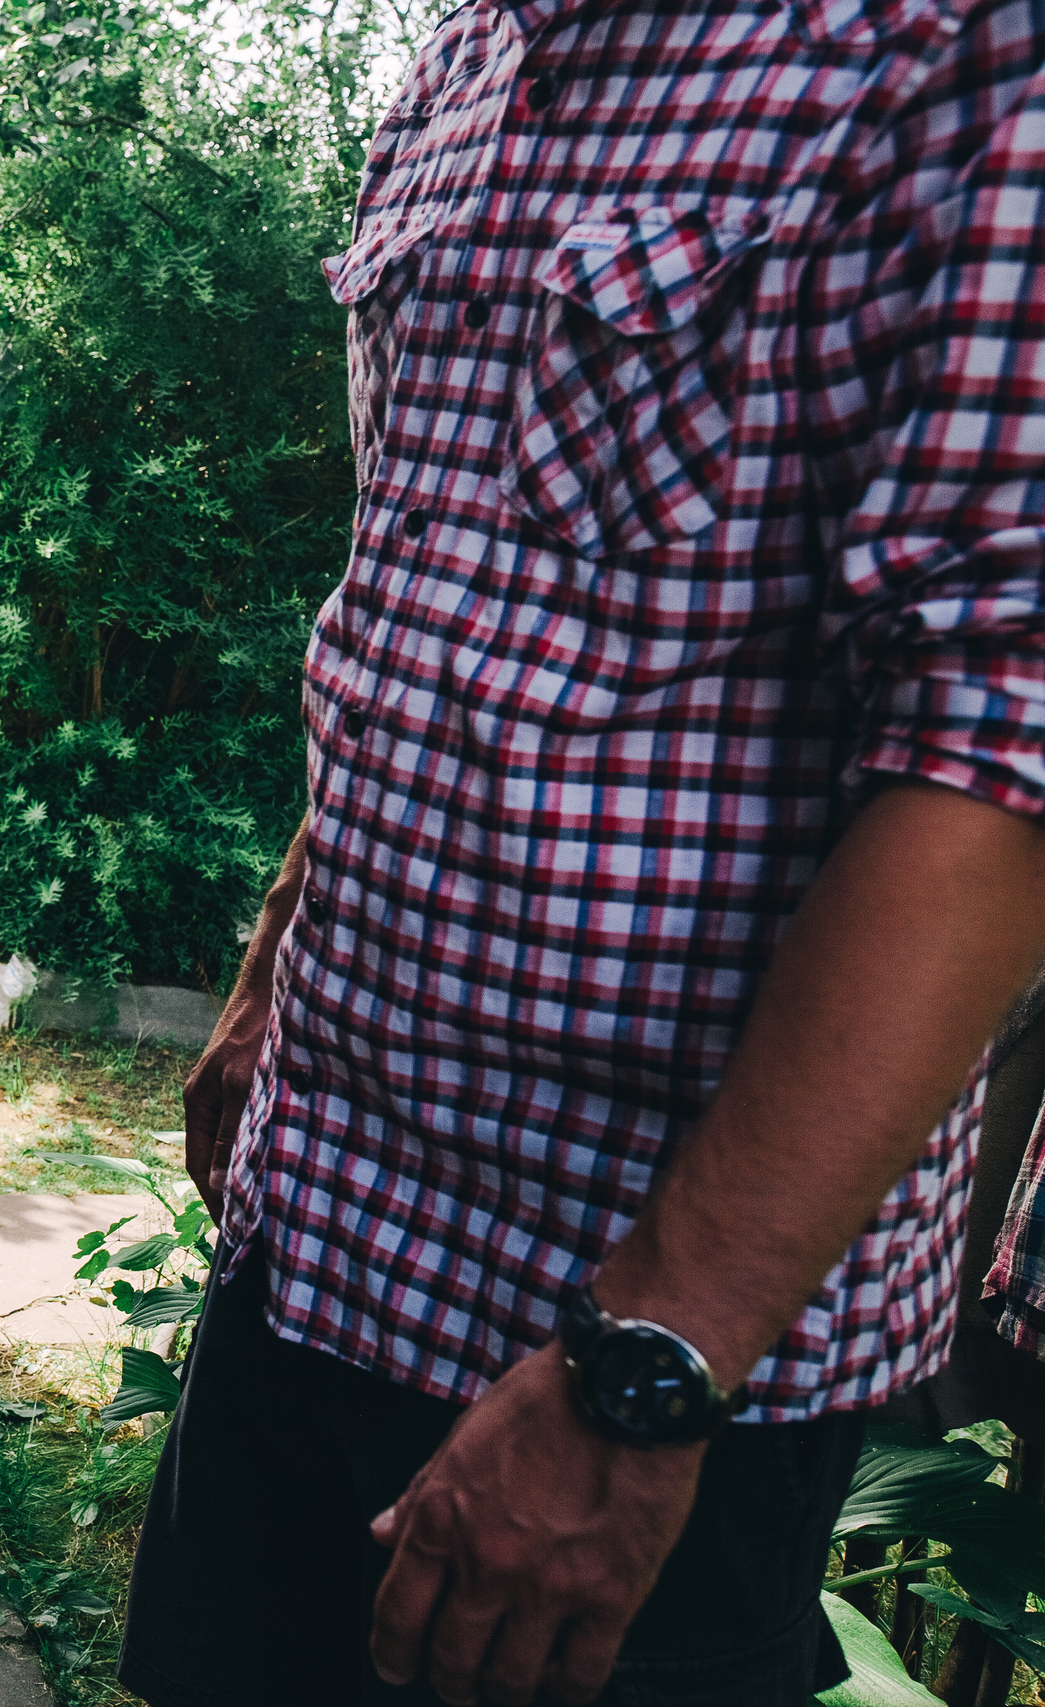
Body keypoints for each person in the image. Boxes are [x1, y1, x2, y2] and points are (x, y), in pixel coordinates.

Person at [118, 0, 1045, 1701]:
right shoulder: (466, 64)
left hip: (621, 1352)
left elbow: (1002, 764)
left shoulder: (962, 47)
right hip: (317, 1232)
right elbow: (427, 599)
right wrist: (272, 965)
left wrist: (647, 1366)